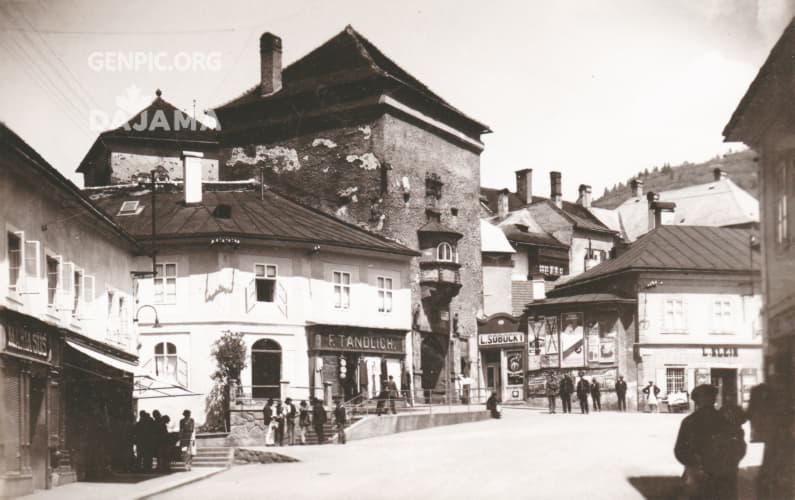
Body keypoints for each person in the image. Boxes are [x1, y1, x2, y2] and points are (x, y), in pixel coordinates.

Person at [674, 384, 746, 500]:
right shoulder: (726, 421)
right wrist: (730, 464)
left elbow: (680, 451)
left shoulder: (689, 421)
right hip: (724, 477)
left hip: (699, 476)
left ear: (696, 401)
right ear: (714, 399)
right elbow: (740, 448)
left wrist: (695, 465)